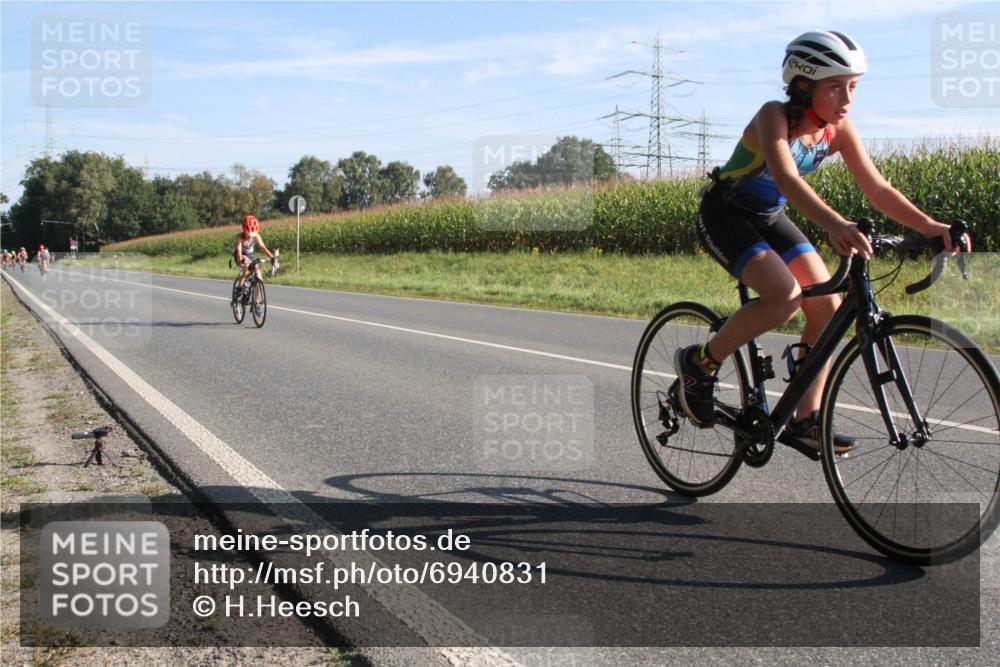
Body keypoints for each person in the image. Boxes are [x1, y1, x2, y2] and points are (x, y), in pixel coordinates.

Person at [675, 30, 969, 452]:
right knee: (784, 297)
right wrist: (834, 224)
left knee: (829, 308)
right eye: (835, 87)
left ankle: (804, 418)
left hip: (770, 217)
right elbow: (787, 178)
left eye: (852, 86)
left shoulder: (839, 130)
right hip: (725, 213)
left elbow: (878, 190)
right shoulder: (773, 116)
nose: (847, 98)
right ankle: (699, 362)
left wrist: (930, 227)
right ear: (801, 85)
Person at [231, 215, 276, 305]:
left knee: (258, 275)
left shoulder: (256, 236)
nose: (251, 236)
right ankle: (240, 288)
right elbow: (239, 252)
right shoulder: (239, 237)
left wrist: (272, 258)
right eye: (249, 233)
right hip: (240, 256)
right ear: (244, 229)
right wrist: (241, 260)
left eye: (253, 233)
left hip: (251, 255)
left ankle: (256, 301)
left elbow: (263, 248)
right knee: (246, 265)